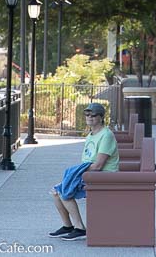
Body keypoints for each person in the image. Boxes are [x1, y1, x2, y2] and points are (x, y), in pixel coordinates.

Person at [48, 102, 119, 241]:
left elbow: (98, 165)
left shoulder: (106, 135)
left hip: (103, 177)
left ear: (101, 117)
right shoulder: (91, 135)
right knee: (56, 192)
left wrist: (77, 173)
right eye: (87, 114)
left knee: (64, 191)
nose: (89, 117)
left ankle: (80, 228)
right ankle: (67, 226)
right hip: (90, 174)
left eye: (93, 115)